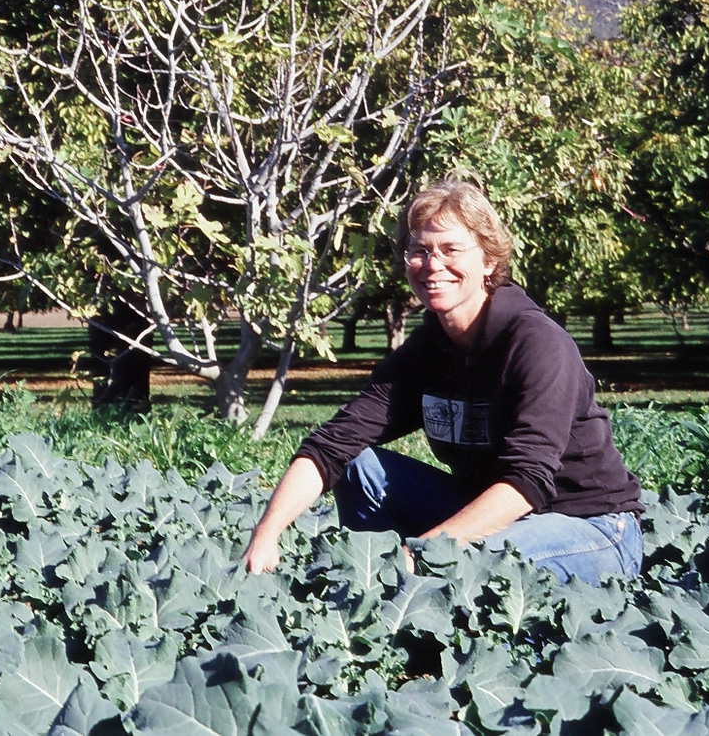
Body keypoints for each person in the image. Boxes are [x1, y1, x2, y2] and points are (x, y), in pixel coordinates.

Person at [243, 179, 644, 585]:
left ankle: (405, 584)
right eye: (420, 251)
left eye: (451, 250)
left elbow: (526, 482)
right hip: (489, 509)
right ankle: (372, 597)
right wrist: (266, 532)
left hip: (591, 525)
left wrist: (422, 552)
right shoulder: (428, 348)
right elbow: (332, 444)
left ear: (488, 261)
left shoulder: (537, 344)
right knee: (358, 468)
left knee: (473, 563)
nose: (433, 265)